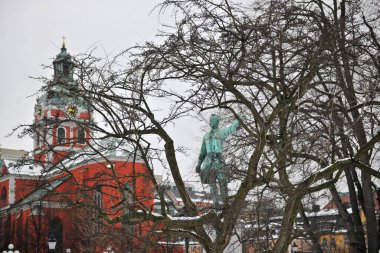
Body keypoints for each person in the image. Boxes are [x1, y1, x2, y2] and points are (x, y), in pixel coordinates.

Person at [196, 114, 240, 208]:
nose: (211, 122)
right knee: (212, 186)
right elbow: (202, 152)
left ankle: (225, 205)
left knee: (223, 183)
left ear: (217, 122)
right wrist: (199, 164)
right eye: (210, 120)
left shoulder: (221, 132)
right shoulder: (206, 136)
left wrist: (238, 120)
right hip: (209, 163)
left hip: (219, 162)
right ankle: (215, 206)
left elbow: (231, 128)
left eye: (213, 120)